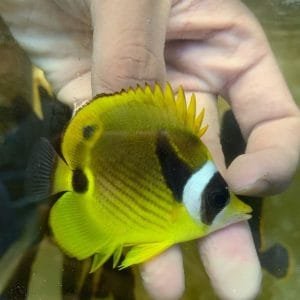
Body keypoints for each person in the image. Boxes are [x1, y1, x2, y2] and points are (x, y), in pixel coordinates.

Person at [1, 1, 299, 299]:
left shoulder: (193, 155)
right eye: (218, 198)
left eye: (220, 197)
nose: (227, 204)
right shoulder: (187, 180)